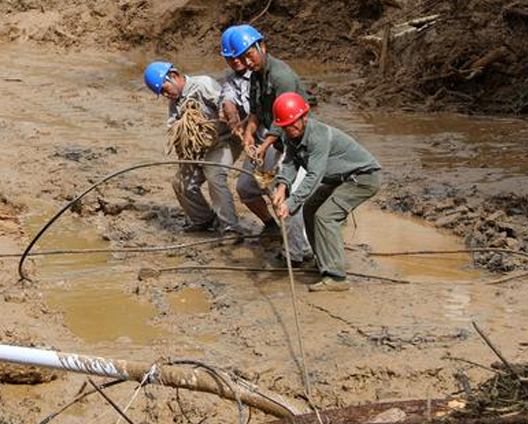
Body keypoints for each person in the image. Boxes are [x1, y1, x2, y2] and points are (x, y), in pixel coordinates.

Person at [270, 92, 382, 292]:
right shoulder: (290, 137)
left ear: (304, 117)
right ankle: (323, 260)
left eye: (294, 123)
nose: (291, 128)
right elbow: (289, 164)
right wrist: (281, 186)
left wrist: (291, 203)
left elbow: (313, 175)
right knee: (310, 208)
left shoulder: (318, 136)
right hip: (339, 178)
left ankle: (336, 277)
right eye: (285, 126)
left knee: (326, 216)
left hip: (362, 178)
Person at [220, 24, 312, 262]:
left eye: (249, 55)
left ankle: (300, 254)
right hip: (274, 144)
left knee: (291, 199)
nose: (247, 62)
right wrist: (249, 133)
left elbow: (284, 122)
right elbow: (257, 113)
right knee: (247, 188)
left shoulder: (282, 77)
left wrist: (262, 146)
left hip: (295, 145)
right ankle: (277, 230)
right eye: (242, 58)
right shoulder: (256, 77)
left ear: (262, 46)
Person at [143, 61, 245, 234]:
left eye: (165, 88)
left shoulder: (203, 84)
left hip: (226, 139)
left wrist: (223, 115)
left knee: (214, 173)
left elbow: (228, 106)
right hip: (200, 148)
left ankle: (230, 227)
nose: (166, 95)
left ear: (174, 76)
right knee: (180, 182)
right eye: (162, 93)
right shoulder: (175, 103)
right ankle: (203, 219)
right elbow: (176, 131)